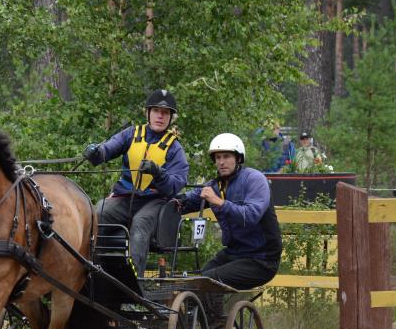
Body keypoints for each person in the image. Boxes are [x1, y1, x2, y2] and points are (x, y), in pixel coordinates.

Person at [83, 89, 189, 275]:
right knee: (98, 212)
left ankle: (133, 281)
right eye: (156, 111)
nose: (160, 116)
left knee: (140, 225)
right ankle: (89, 268)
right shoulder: (131, 134)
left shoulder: (175, 148)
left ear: (171, 117)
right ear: (147, 113)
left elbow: (174, 186)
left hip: (154, 201)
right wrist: (95, 153)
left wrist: (158, 172)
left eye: (165, 113)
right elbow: (106, 150)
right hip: (125, 197)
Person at [177, 133, 281, 290]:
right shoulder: (215, 186)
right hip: (234, 254)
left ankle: (214, 314)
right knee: (194, 281)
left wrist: (218, 201)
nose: (221, 162)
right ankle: (198, 313)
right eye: (218, 158)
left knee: (207, 281)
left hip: (261, 260)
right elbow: (185, 202)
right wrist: (167, 200)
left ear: (238, 158)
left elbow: (250, 216)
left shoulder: (255, 179)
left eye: (226, 156)